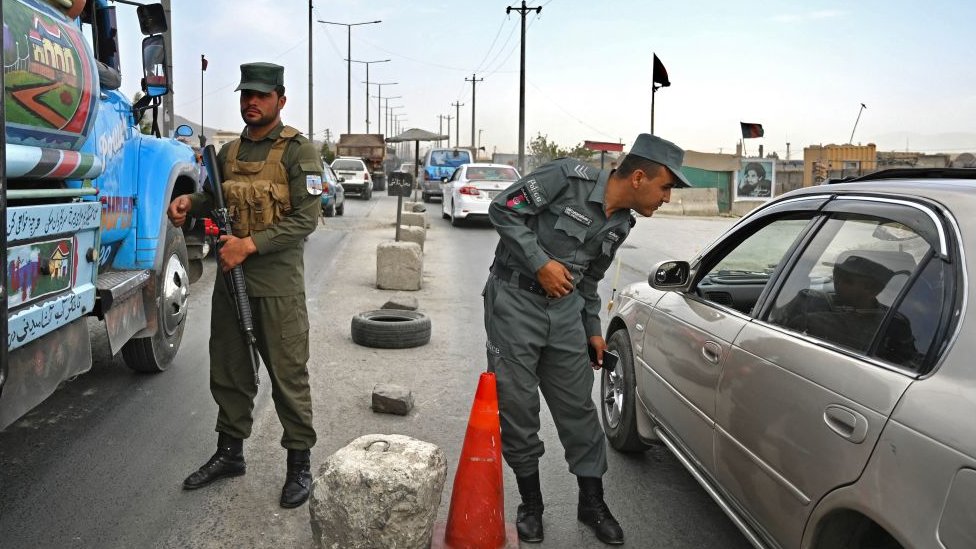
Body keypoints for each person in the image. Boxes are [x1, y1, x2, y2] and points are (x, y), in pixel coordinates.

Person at [483, 133, 690, 545]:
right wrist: (540, 263)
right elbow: (502, 210)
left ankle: (591, 502)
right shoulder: (566, 178)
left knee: (578, 407)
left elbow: (589, 280)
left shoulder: (622, 223)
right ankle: (532, 504)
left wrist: (593, 331)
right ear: (637, 178)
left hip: (564, 315)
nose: (667, 197)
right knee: (517, 406)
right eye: (665, 186)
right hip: (514, 303)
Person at [166, 62, 323, 508]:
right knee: (231, 368)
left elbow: (305, 219)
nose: (251, 102)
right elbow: (215, 198)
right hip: (231, 281)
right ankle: (230, 453)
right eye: (245, 94)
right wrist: (189, 203)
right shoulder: (229, 152)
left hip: (276, 286)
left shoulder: (299, 152)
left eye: (261, 95)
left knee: (287, 373)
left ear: (280, 99)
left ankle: (299, 464)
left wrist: (249, 245)